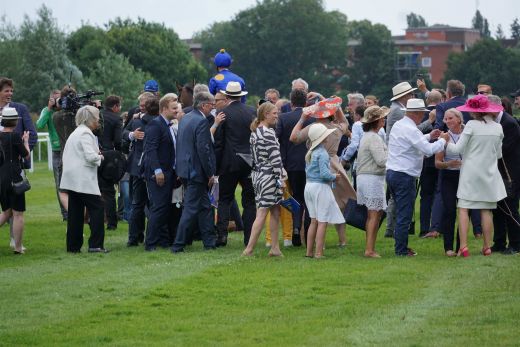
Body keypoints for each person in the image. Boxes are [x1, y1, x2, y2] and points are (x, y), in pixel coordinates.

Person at [440, 95, 506, 257]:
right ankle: (487, 246)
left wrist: (445, 141)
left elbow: (457, 150)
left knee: (463, 208)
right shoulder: (498, 127)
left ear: (475, 112)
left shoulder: (471, 125)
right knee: (486, 210)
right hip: (489, 173)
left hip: (470, 173)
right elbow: (498, 154)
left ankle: (463, 247)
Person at [290, 97, 355, 247]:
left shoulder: (313, 128)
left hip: (316, 167)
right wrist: (335, 107)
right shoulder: (337, 128)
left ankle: (318, 242)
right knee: (339, 204)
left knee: (316, 207)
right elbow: (345, 123)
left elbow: (293, 138)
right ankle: (342, 240)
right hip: (335, 165)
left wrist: (301, 119)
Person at [386, 99, 446, 256]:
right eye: (422, 114)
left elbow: (413, 142)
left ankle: (401, 246)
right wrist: (442, 141)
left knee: (401, 212)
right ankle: (401, 249)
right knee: (404, 214)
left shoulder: (400, 125)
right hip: (404, 175)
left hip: (393, 172)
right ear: (417, 114)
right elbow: (427, 151)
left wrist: (428, 135)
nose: (422, 117)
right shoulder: (411, 129)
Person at [384, 82, 433, 239]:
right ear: (404, 96)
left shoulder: (396, 110)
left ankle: (392, 231)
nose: (412, 96)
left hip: (395, 163)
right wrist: (430, 123)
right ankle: (394, 233)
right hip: (402, 164)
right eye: (411, 94)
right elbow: (414, 134)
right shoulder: (399, 112)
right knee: (399, 203)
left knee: (395, 200)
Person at [172, 92, 217, 253]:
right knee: (191, 209)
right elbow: (203, 150)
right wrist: (210, 173)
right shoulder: (201, 121)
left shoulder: (186, 118)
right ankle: (178, 244)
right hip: (196, 172)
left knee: (205, 207)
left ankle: (210, 242)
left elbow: (181, 145)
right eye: (212, 104)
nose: (213, 107)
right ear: (204, 105)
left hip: (185, 170)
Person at [60, 106, 108, 253]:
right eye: (97, 117)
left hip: (72, 179)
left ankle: (73, 246)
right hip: (83, 179)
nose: (99, 120)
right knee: (98, 208)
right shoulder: (86, 134)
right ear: (90, 119)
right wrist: (100, 157)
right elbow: (90, 156)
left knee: (75, 213)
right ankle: (95, 245)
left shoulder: (76, 132)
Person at [214, 82, 256, 247]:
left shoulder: (222, 113)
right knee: (249, 201)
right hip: (248, 161)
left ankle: (222, 235)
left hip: (228, 162)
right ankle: (248, 238)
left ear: (226, 96)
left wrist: (216, 167)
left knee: (224, 199)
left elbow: (219, 143)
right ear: (240, 95)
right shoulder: (252, 111)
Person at [243, 102, 285, 256]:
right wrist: (281, 177)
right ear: (266, 114)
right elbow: (275, 159)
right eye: (274, 113)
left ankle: (275, 248)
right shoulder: (267, 133)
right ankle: (249, 249)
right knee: (262, 213)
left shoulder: (255, 132)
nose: (277, 116)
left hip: (258, 175)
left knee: (275, 211)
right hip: (269, 176)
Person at [275, 89, 313, 246]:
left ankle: (296, 228)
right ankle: (307, 230)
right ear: (306, 103)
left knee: (296, 196)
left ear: (291, 102)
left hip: (291, 164)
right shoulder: (313, 119)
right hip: (309, 163)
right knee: (309, 199)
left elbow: (277, 139)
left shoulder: (283, 118)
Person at [143, 93, 179, 251]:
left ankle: (162, 241)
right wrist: (158, 171)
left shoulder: (167, 125)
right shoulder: (155, 125)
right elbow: (150, 150)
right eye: (173, 108)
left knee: (164, 208)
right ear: (164, 109)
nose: (177, 110)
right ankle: (150, 244)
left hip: (168, 173)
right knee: (158, 208)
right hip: (159, 174)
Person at [304, 123, 344, 258]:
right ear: (322, 137)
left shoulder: (311, 152)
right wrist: (335, 177)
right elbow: (324, 175)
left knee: (313, 220)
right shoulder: (323, 153)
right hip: (320, 188)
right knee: (322, 221)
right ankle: (319, 253)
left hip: (309, 186)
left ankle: (309, 252)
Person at [488, 95, 520, 255]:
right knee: (498, 208)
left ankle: (515, 243)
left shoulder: (509, 123)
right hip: (498, 171)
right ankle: (499, 242)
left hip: (511, 173)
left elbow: (504, 149)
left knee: (510, 208)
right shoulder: (494, 122)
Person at [124, 93, 157, 247]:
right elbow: (122, 133)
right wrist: (132, 134)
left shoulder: (141, 119)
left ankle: (138, 237)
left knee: (142, 203)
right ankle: (135, 237)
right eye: (140, 104)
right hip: (141, 167)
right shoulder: (137, 119)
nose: (141, 107)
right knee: (139, 204)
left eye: (143, 104)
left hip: (141, 166)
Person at [356, 106, 388, 258]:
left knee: (374, 214)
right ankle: (369, 250)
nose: (384, 119)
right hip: (372, 178)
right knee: (374, 214)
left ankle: (370, 247)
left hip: (367, 177)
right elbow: (381, 161)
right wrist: (394, 156)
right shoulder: (374, 138)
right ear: (376, 121)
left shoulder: (367, 136)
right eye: (382, 118)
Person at [435, 108, 465, 256]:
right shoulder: (444, 137)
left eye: (450, 118)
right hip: (448, 177)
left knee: (464, 211)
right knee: (449, 210)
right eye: (446, 119)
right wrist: (449, 164)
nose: (447, 121)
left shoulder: (468, 134)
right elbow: (437, 162)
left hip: (466, 177)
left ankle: (461, 246)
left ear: (459, 119)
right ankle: (448, 247)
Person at [0, 107, 29, 254]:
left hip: (2, 177)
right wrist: (26, 141)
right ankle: (18, 247)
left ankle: (17, 246)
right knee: (18, 214)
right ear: (15, 121)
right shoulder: (16, 136)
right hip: (14, 177)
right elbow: (26, 155)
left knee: (6, 213)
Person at [36, 89, 67, 221]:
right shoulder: (47, 111)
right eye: (54, 100)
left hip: (68, 148)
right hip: (56, 150)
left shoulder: (66, 110)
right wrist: (49, 109)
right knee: (59, 182)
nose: (57, 102)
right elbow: (39, 125)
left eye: (59, 99)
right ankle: (65, 214)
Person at [99, 95, 123, 230]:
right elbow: (118, 140)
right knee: (108, 192)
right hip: (108, 156)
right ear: (115, 106)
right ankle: (112, 223)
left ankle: (95, 218)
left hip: (95, 152)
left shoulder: (97, 115)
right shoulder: (116, 119)